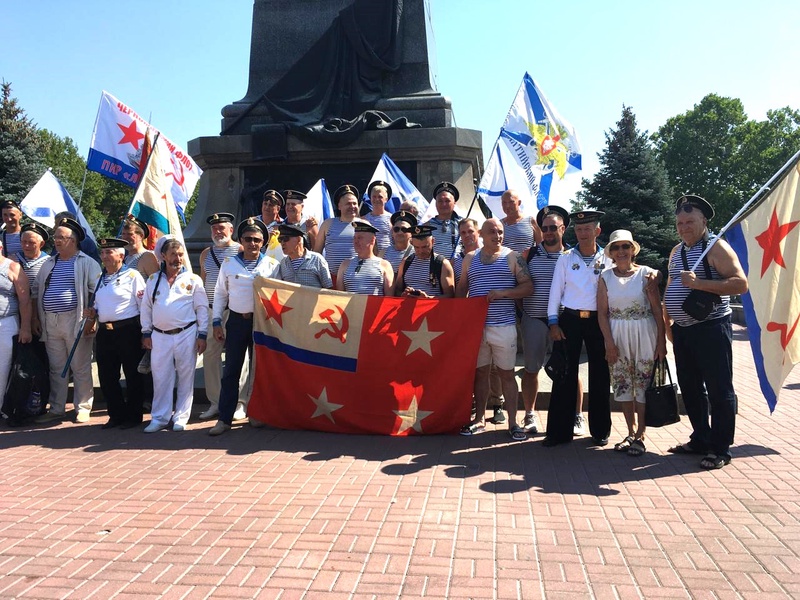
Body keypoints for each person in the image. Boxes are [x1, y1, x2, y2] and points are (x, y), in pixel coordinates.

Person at [664, 194, 747, 470]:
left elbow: (740, 284)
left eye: (690, 221)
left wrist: (699, 284)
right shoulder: (677, 251)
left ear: (704, 221)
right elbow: (670, 287)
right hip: (684, 331)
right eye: (680, 222)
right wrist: (668, 322)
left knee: (718, 388)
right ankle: (700, 437)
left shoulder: (716, 247)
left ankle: (720, 447)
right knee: (689, 387)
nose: (684, 226)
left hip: (711, 328)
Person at [456, 218, 533, 440]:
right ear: (481, 233)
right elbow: (462, 289)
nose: (497, 235)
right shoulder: (470, 259)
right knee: (480, 374)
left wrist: (502, 293)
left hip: (504, 326)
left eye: (500, 231)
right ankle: (479, 419)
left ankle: (512, 422)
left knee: (507, 375)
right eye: (492, 231)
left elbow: (528, 287)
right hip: (477, 329)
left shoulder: (513, 257)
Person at [544, 210, 613, 447]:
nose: (583, 233)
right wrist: (553, 322)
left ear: (597, 231)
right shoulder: (565, 258)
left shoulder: (608, 257)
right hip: (570, 320)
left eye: (588, 229)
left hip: (599, 321)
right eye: (579, 229)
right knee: (564, 374)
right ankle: (558, 432)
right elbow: (556, 292)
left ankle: (601, 430)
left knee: (600, 375)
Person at [597, 230, 666, 456]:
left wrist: (661, 342)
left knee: (643, 384)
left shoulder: (647, 274)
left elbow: (657, 309)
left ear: (632, 250)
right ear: (611, 253)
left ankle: (641, 435)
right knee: (623, 384)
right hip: (617, 333)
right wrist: (609, 342)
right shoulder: (605, 277)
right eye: (616, 248)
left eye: (625, 246)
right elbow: (602, 313)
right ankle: (630, 431)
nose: (621, 251)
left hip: (644, 331)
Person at [209, 218, 280, 436]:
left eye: (257, 240)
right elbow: (221, 294)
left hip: (261, 323)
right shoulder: (229, 264)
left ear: (263, 243)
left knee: (259, 370)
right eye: (248, 239)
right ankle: (224, 418)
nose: (252, 243)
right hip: (237, 321)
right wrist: (216, 321)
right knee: (232, 369)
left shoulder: (272, 266)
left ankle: (256, 412)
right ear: (241, 240)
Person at [33, 217, 102, 424]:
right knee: (56, 367)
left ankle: (83, 407)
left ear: (73, 241)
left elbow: (97, 291)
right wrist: (37, 317)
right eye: (56, 237)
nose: (57, 241)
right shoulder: (49, 263)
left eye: (61, 237)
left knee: (80, 366)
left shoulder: (87, 263)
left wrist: (92, 319)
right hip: (50, 321)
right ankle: (57, 407)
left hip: (76, 319)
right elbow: (37, 289)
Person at [140, 238, 209, 432]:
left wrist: (202, 334)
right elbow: (146, 308)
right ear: (163, 256)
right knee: (161, 377)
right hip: (159, 335)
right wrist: (146, 332)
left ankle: (181, 417)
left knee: (186, 376)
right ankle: (160, 417)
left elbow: (202, 308)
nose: (177, 258)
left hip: (186, 333)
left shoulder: (193, 280)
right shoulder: (153, 280)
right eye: (173, 254)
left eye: (180, 254)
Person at [519, 206, 576, 434]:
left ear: (563, 229)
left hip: (564, 322)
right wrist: (524, 312)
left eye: (554, 227)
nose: (549, 232)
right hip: (534, 319)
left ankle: (576, 414)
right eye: (545, 228)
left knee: (569, 370)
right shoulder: (528, 254)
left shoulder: (573, 255)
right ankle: (529, 414)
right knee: (531, 369)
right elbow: (519, 284)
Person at [86, 238, 147, 429]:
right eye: (102, 253)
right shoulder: (99, 279)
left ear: (121, 255)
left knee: (132, 374)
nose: (104, 256)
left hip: (128, 330)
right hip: (105, 332)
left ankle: (134, 415)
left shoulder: (132, 275)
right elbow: (97, 304)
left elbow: (143, 306)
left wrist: (146, 332)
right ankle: (116, 414)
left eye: (109, 252)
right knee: (107, 375)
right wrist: (92, 313)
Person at [198, 212, 244, 421]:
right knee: (210, 356)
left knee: (240, 358)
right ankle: (216, 402)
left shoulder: (241, 250)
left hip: (233, 310)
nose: (218, 232)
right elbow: (203, 280)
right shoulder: (206, 254)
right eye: (214, 228)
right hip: (210, 311)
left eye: (222, 228)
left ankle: (240, 403)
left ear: (231, 230)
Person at [0, 237, 32, 407]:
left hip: (6, 323)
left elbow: (25, 300)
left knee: (2, 368)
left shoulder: (12, 267)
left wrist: (25, 328)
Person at [314, 184, 360, 284]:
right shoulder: (327, 224)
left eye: (355, 203)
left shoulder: (364, 225)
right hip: (331, 279)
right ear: (339, 206)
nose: (352, 206)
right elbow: (317, 252)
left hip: (356, 279)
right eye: (348, 204)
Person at [394, 225, 455, 298]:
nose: (421, 251)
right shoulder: (406, 262)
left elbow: (450, 295)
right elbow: (397, 290)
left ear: (433, 241)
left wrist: (428, 298)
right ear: (412, 243)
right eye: (416, 247)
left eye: (425, 247)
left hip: (431, 308)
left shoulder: (442, 264)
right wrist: (404, 294)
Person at [336, 221, 394, 296]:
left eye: (360, 238)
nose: (356, 241)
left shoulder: (384, 265)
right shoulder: (345, 265)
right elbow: (339, 296)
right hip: (351, 307)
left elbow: (389, 298)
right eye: (355, 238)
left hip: (372, 307)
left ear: (372, 240)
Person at [275, 224, 333, 289]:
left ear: (299, 239)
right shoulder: (283, 263)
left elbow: (328, 288)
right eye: (280, 240)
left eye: (285, 239)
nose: (282, 243)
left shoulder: (317, 259)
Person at [424, 182, 461, 258]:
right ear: (436, 204)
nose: (444, 204)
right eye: (440, 201)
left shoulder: (462, 224)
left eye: (447, 201)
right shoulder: (427, 226)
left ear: (454, 203)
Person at [379, 210, 415, 274]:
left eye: (404, 229)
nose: (400, 232)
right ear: (392, 233)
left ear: (411, 233)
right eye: (396, 229)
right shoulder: (382, 253)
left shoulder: (416, 253)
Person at [17, 222, 50, 288]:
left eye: (31, 242)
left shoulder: (49, 262)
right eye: (23, 241)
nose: (26, 245)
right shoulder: (12, 259)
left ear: (41, 244)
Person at [364, 180, 393, 253]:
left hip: (387, 257)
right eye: (374, 196)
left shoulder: (392, 219)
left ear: (386, 199)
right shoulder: (363, 219)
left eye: (380, 197)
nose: (377, 199)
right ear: (370, 198)